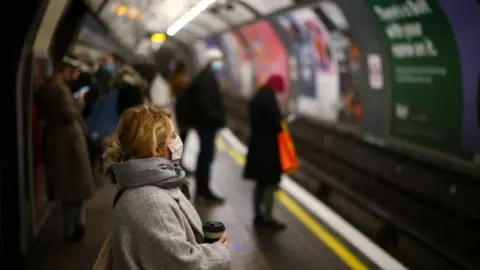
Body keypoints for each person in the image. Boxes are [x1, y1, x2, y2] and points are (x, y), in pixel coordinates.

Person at [103, 104, 231, 270]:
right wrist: (218, 252)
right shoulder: (152, 204)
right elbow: (181, 264)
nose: (178, 140)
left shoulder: (147, 184)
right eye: (173, 136)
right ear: (155, 148)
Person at [35, 55, 95, 241]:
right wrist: (79, 100)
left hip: (62, 140)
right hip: (68, 142)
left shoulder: (50, 87)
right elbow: (70, 114)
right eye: (74, 71)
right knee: (73, 187)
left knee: (72, 187)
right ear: (66, 70)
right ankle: (70, 231)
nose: (76, 76)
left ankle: (74, 226)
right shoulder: (58, 89)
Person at [244, 74, 287, 231]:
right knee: (270, 183)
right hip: (268, 149)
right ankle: (267, 218)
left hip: (257, 147)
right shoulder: (269, 100)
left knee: (260, 183)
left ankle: (258, 215)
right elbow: (276, 123)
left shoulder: (257, 97)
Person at [190, 62, 226, 203]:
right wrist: (217, 117)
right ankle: (203, 192)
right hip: (206, 125)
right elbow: (204, 104)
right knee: (206, 157)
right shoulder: (206, 81)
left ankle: (203, 191)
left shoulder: (203, 79)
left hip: (205, 124)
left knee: (206, 157)